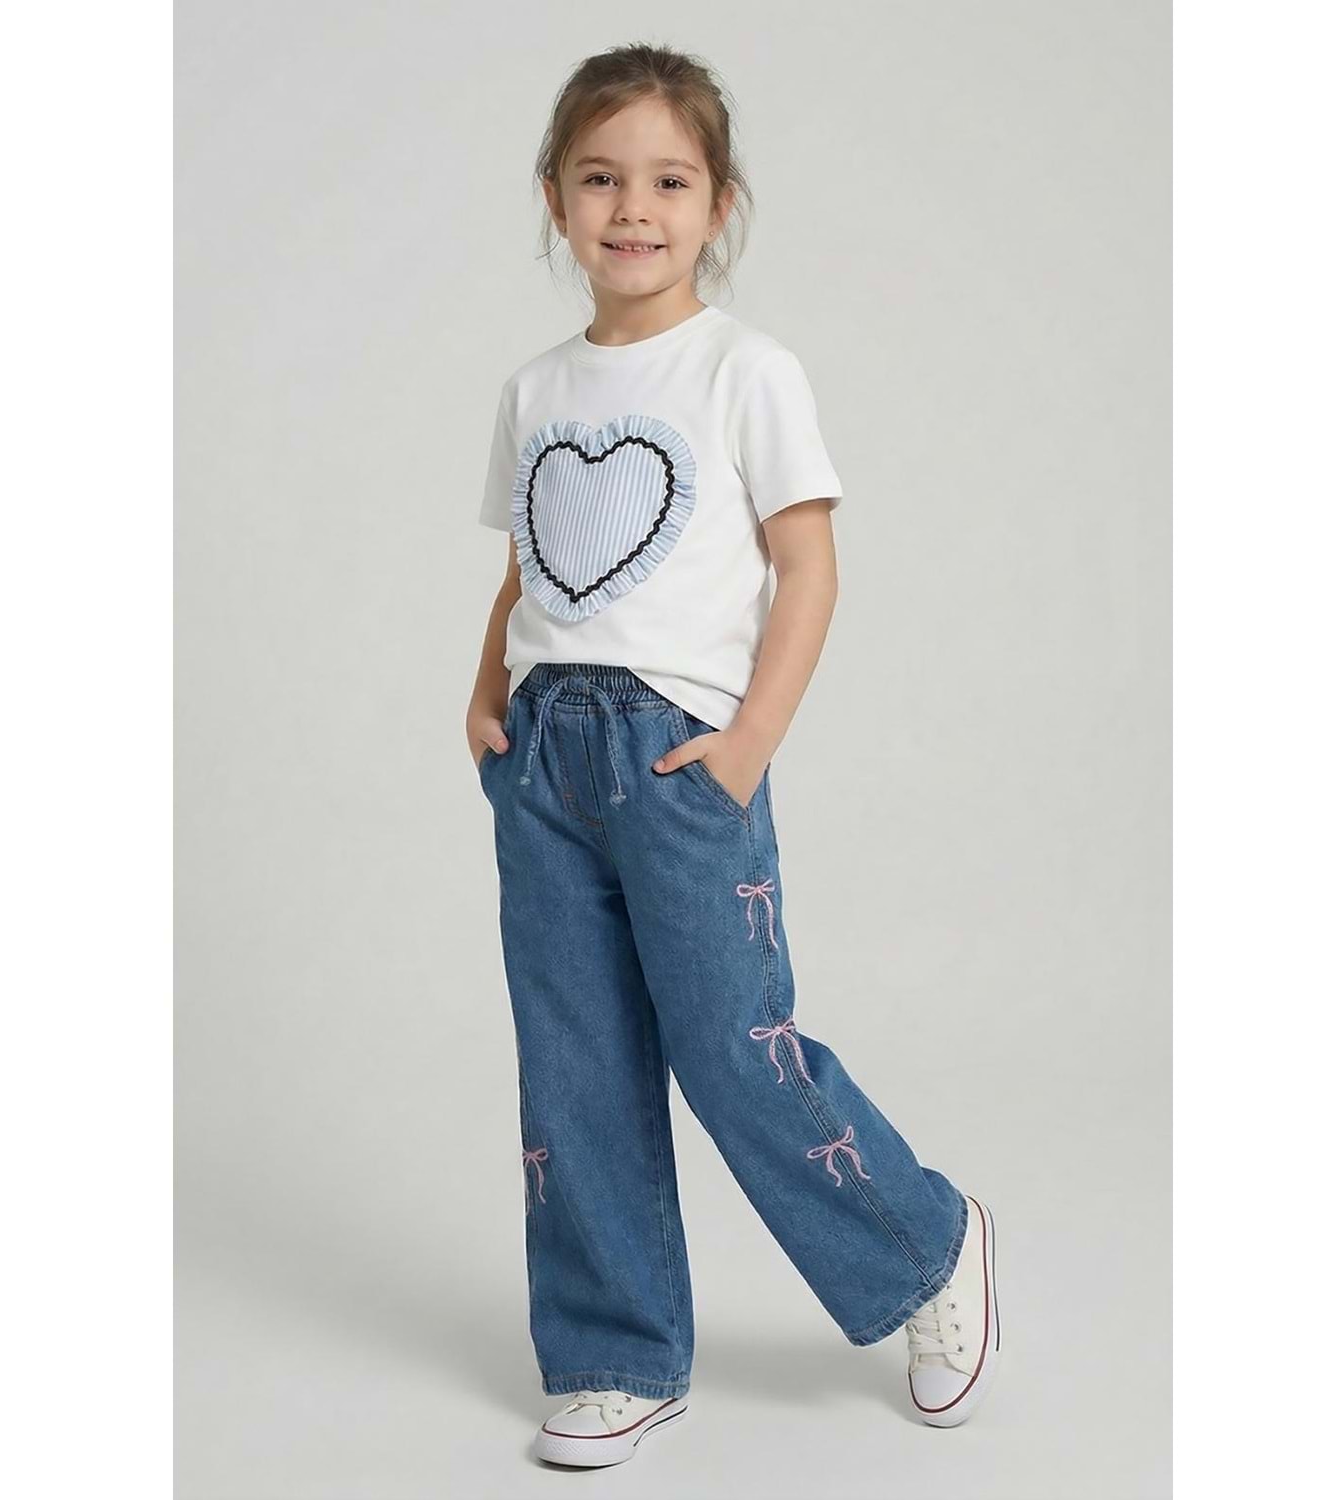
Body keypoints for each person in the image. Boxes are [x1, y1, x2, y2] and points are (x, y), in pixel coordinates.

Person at [466, 43, 1000, 1469]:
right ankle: (614, 1352)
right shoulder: (537, 387)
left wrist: (750, 742)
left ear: (718, 204)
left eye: (668, 181)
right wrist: (486, 697)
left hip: (678, 753)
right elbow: (531, 566)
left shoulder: (747, 370)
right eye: (601, 179)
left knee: (732, 1048)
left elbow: (806, 567)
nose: (632, 209)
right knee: (573, 1062)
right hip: (545, 755)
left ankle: (927, 1246)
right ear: (555, 198)